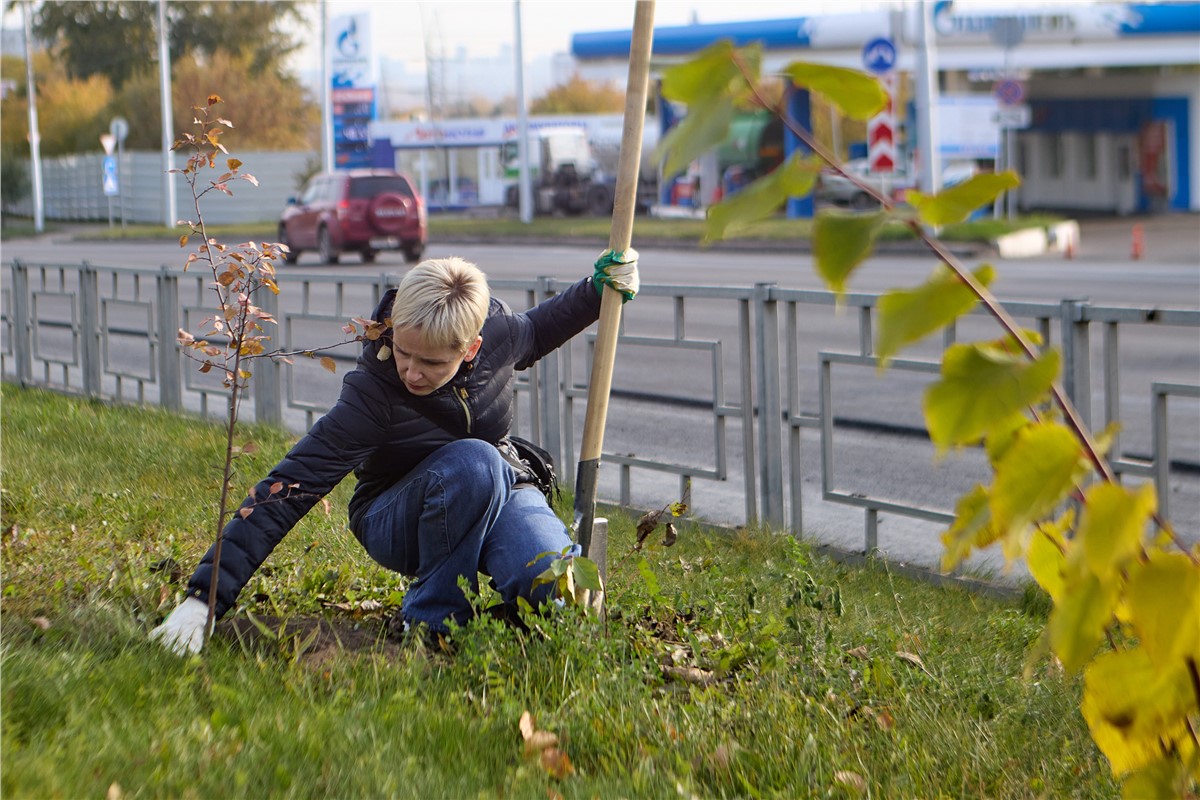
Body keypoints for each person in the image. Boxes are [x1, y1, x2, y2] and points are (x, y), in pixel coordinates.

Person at [151, 253, 639, 655]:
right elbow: (292, 484)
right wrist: (204, 599)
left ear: (471, 349)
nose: (410, 371)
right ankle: (432, 627)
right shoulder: (373, 393)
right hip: (397, 512)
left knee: (562, 593)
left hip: (499, 486)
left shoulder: (499, 335)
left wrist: (599, 291)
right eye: (403, 352)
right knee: (474, 463)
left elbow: (538, 328)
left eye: (431, 362)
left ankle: (495, 629)